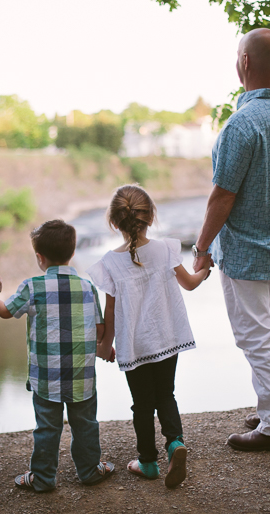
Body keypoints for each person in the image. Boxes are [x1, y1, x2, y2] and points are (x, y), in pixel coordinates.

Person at [192, 29, 270, 452]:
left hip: (245, 249)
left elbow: (223, 195)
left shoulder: (242, 123)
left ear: (244, 61)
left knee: (255, 335)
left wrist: (202, 247)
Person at [88, 185, 210, 489]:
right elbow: (190, 284)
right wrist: (205, 271)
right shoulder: (166, 249)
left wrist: (105, 345)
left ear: (114, 223)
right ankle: (174, 443)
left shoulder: (109, 263)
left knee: (142, 404)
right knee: (166, 394)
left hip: (135, 344)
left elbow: (111, 311)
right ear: (150, 217)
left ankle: (148, 461)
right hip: (167, 338)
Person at [0, 220, 115, 492]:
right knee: (86, 425)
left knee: (46, 428)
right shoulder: (87, 287)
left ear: (39, 257)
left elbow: (5, 311)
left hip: (46, 377)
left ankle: (43, 478)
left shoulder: (32, 287)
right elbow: (100, 329)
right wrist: (101, 344)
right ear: (73, 252)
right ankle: (90, 471)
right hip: (82, 374)